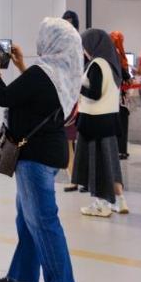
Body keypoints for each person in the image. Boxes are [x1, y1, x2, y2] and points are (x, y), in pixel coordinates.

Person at [0, 17, 81, 282]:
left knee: (42, 219)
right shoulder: (60, 75)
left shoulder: (43, 73)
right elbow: (36, 95)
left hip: (35, 156)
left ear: (50, 41)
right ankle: (23, 274)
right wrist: (21, 66)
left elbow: (3, 96)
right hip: (47, 153)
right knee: (27, 217)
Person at [73, 29, 129, 216]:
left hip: (94, 122)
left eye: (84, 46)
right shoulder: (112, 64)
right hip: (108, 120)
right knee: (110, 162)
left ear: (93, 45)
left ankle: (101, 204)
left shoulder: (97, 64)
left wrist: (77, 86)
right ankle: (120, 201)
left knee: (97, 164)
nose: (83, 50)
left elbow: (94, 93)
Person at [61, 12, 81, 192]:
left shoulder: (70, 45)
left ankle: (75, 178)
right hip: (74, 98)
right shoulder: (77, 44)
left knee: (69, 141)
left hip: (72, 99)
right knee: (68, 141)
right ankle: (75, 177)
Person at [110, 31, 132, 160]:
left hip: (114, 94)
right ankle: (121, 150)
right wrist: (128, 77)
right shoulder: (117, 53)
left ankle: (119, 150)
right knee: (122, 122)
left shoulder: (110, 53)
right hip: (121, 96)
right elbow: (123, 72)